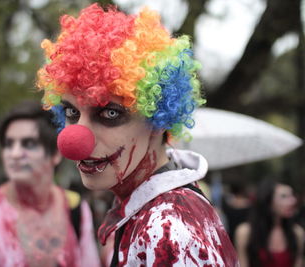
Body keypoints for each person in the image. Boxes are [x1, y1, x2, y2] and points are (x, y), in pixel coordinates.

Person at [36, 3, 238, 266]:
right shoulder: (150, 211)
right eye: (72, 113)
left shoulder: (168, 231)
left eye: (109, 113)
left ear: (159, 119)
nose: (75, 141)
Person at [0, 100, 100, 267]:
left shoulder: (76, 209)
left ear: (55, 153)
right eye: (8, 144)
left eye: (29, 144)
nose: (14, 154)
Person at [235, 179, 304, 267]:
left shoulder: (297, 232)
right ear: (267, 200)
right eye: (284, 196)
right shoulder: (245, 232)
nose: (293, 201)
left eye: (292, 195)